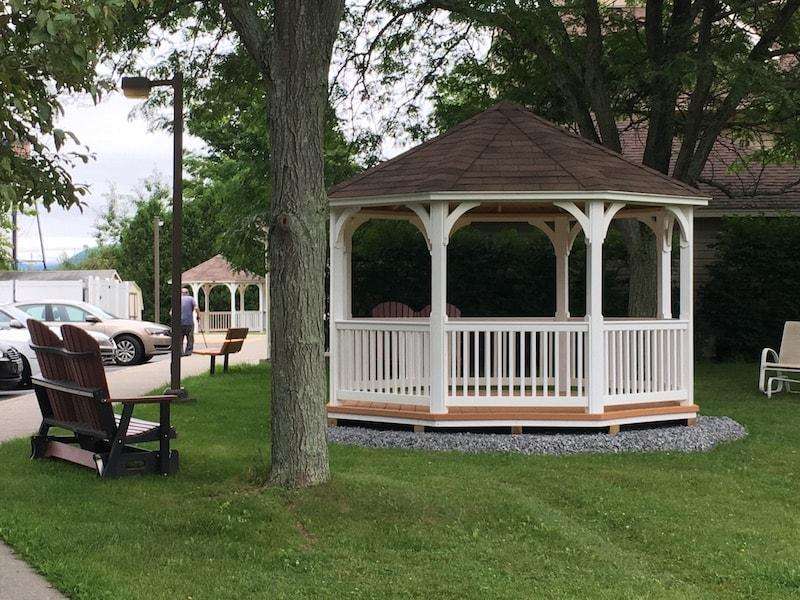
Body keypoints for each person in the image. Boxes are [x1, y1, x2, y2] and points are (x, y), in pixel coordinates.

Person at [180, 286, 199, 356]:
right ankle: (188, 352)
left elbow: (171, 313)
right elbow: (196, 308)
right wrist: (198, 316)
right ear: (187, 293)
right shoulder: (191, 299)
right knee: (190, 338)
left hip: (180, 323)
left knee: (180, 339)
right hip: (189, 322)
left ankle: (180, 352)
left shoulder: (178, 299)